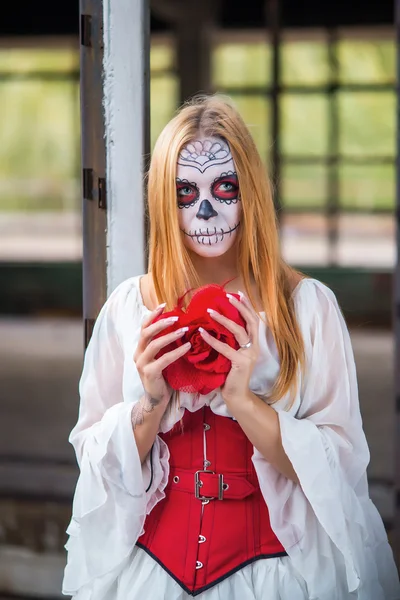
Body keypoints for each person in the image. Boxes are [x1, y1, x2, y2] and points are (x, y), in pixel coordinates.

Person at [62, 95, 400, 600]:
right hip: (148, 574)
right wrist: (151, 403)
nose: (205, 209)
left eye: (225, 187)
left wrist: (244, 401)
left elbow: (339, 467)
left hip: (278, 575)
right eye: (184, 191)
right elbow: (94, 464)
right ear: (162, 199)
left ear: (252, 194)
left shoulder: (306, 308)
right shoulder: (129, 308)